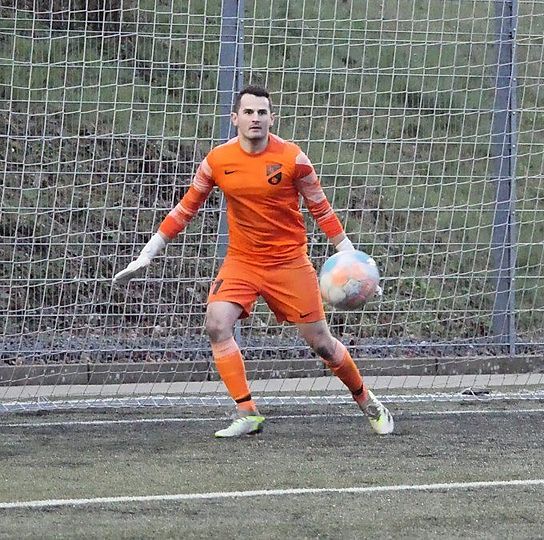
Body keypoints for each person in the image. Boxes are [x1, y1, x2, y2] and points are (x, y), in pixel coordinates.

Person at [112, 84, 394, 438]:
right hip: (242, 262)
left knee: (322, 343)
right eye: (248, 112)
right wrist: (147, 253)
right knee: (216, 324)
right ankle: (247, 412)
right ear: (235, 118)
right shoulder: (217, 161)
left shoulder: (294, 159)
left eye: (262, 112)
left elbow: (322, 210)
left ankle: (367, 401)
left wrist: (355, 263)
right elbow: (185, 209)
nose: (255, 118)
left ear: (272, 118)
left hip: (289, 263)